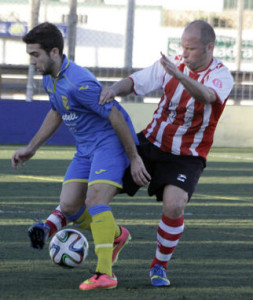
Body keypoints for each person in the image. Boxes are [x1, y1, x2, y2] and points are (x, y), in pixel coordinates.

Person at [11, 22, 150, 291]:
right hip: (85, 149)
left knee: (95, 199)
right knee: (70, 206)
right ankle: (117, 235)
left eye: (35, 55)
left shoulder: (80, 82)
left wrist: (134, 158)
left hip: (109, 145)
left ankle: (104, 273)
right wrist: (31, 148)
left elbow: (116, 116)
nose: (32, 62)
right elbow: (56, 112)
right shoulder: (50, 78)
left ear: (54, 52)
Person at [99, 20, 234, 287]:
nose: (184, 54)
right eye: (183, 47)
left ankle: (159, 265)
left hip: (188, 154)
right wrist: (112, 91)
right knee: (100, 189)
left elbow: (206, 96)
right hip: (151, 142)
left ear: (210, 47)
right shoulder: (171, 64)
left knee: (174, 205)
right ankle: (110, 235)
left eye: (191, 49)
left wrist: (181, 75)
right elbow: (135, 82)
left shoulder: (221, 75)